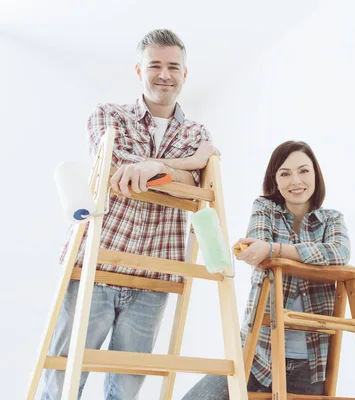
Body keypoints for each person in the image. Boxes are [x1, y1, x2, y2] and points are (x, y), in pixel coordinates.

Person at [41, 29, 218, 399]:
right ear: (139, 70)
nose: (164, 74)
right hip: (96, 266)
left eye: (173, 66)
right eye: (155, 65)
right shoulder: (109, 116)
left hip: (153, 279)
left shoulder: (197, 131)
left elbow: (201, 183)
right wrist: (177, 167)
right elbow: (117, 168)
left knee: (127, 388)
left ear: (185, 74)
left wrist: (160, 169)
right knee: (62, 380)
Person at [183, 140, 355, 399]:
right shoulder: (264, 208)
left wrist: (275, 250)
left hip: (308, 364)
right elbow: (256, 249)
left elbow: (339, 253)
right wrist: (315, 260)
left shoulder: (332, 218)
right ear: (275, 180)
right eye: (285, 173)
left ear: (315, 175)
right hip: (257, 352)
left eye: (303, 171)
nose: (295, 180)